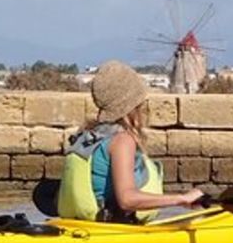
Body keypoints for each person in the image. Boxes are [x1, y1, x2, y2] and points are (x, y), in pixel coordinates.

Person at [57, 60, 205, 222]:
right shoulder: (122, 141)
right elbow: (127, 200)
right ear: (134, 105)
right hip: (112, 231)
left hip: (86, 228)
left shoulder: (89, 135)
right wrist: (182, 199)